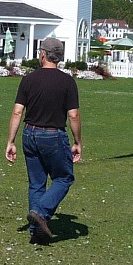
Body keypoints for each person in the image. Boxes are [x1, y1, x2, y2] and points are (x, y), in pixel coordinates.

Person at [5, 36, 81, 245]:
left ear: (43, 55)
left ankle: (35, 229)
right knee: (64, 178)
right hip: (53, 135)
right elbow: (73, 115)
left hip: (30, 134)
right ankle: (40, 212)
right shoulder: (67, 81)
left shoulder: (28, 79)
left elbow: (17, 112)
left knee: (37, 183)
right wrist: (77, 142)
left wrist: (11, 141)